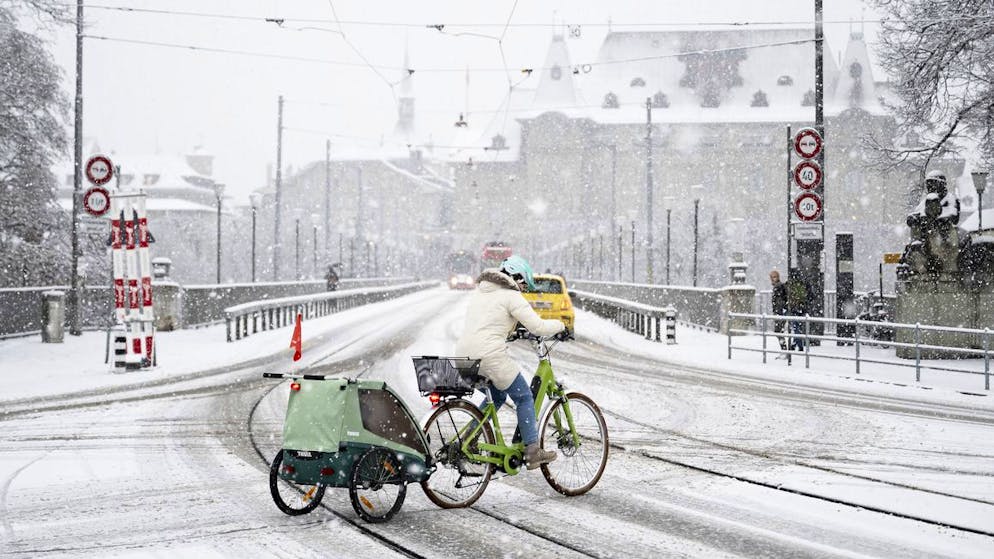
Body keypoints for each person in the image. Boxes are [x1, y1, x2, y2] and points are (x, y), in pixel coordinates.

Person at [454, 255, 565, 469]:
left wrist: (511, 330)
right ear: (515, 277)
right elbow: (539, 327)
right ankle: (532, 451)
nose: (522, 289)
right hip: (489, 355)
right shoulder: (511, 296)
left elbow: (490, 322)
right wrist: (561, 326)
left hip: (464, 357)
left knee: (496, 396)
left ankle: (468, 440)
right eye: (523, 283)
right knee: (524, 397)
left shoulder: (480, 291)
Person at [786, 269, 809, 351]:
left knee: (796, 327)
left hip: (794, 308)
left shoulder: (791, 284)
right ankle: (796, 344)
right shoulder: (802, 283)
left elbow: (789, 297)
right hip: (801, 308)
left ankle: (798, 345)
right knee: (797, 327)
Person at [769, 269, 788, 357]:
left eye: (775, 277)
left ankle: (785, 351)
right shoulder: (778, 286)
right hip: (779, 312)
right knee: (779, 331)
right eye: (772, 277)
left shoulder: (778, 286)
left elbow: (780, 301)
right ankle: (784, 350)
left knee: (778, 331)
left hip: (780, 312)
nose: (773, 279)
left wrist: (779, 311)